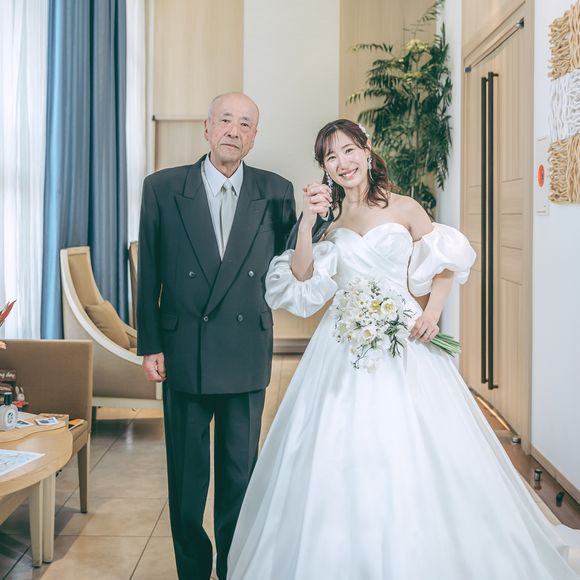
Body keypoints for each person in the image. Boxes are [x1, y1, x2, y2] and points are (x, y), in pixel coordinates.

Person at [227, 119, 580, 579]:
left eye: (349, 150)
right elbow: (301, 275)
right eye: (331, 157)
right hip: (343, 343)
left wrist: (432, 313)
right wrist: (308, 222)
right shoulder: (330, 221)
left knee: (420, 445)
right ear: (324, 168)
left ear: (367, 150)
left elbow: (445, 263)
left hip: (405, 340)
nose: (343, 162)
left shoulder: (405, 206)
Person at [137, 93, 297, 580]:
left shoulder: (276, 191)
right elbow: (149, 271)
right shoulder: (163, 187)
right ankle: (192, 571)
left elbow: (295, 260)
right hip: (184, 349)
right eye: (225, 120)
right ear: (207, 128)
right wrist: (150, 344)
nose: (233, 130)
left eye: (245, 124)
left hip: (245, 352)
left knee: (239, 478)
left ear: (254, 137)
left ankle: (234, 569)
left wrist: (323, 218)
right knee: (187, 482)